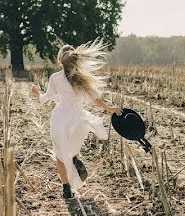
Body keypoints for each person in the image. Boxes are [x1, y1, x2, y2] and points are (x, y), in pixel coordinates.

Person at [31, 40, 122, 200]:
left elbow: (44, 99)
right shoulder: (80, 78)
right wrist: (110, 109)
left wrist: (37, 93)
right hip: (78, 119)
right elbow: (95, 99)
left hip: (60, 118)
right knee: (71, 148)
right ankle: (74, 160)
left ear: (60, 60)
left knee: (59, 155)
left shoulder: (55, 78)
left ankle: (66, 188)